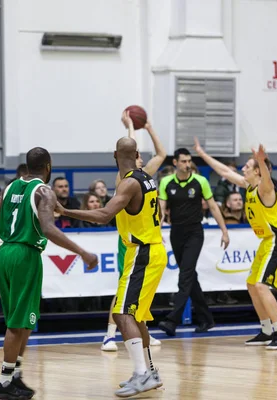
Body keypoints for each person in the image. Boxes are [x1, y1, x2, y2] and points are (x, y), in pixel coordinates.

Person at [0, 147, 99, 399]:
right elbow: (48, 229)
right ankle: (3, 382)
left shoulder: (9, 188)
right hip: (25, 254)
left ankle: (15, 375)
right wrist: (82, 252)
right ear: (48, 166)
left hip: (5, 253)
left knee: (24, 320)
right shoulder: (44, 191)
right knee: (17, 322)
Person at [57, 137, 165, 397]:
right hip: (149, 248)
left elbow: (104, 215)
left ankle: (142, 375)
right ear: (137, 154)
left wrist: (65, 211)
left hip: (142, 252)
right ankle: (149, 371)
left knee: (122, 314)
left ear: (114, 155)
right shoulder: (146, 178)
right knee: (136, 316)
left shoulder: (128, 184)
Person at [193, 138, 277, 350]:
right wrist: (202, 154)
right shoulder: (248, 187)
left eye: (247, 166)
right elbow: (225, 173)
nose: (243, 169)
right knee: (251, 285)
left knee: (261, 285)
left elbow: (266, 177)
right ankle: (266, 330)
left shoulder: (265, 189)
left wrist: (262, 161)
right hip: (267, 242)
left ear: (257, 171)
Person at [101, 111, 166, 352]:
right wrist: (131, 129)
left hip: (142, 244)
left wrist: (145, 127)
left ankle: (136, 339)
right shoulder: (125, 179)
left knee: (129, 297)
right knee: (124, 290)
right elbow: (126, 152)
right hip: (130, 243)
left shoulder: (142, 177)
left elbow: (160, 154)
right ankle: (110, 334)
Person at [157, 148, 230, 337]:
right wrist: (157, 230)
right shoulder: (166, 182)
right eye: (183, 161)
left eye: (189, 161)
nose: (187, 164)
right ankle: (207, 319)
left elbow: (213, 206)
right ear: (175, 163)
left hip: (195, 233)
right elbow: (162, 209)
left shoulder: (200, 181)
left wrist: (224, 231)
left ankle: (173, 320)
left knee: (185, 275)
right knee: (190, 278)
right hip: (176, 233)